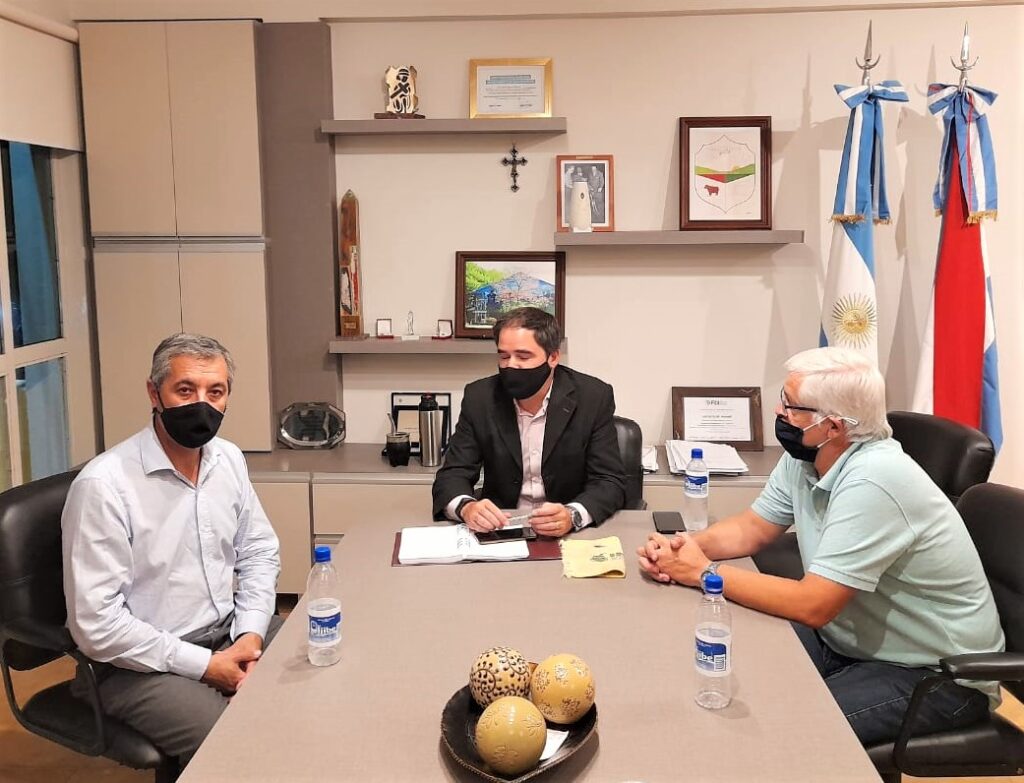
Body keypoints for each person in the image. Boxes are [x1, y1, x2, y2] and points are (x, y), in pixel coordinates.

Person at [637, 346, 1004, 745]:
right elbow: (753, 528)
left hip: (936, 675)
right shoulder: (809, 455)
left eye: (791, 407)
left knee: (781, 733)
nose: (778, 413)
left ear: (833, 426)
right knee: (725, 678)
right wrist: (682, 547)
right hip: (847, 640)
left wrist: (703, 573)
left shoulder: (875, 480)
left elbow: (813, 604)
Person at [62, 333, 282, 773]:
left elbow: (259, 550)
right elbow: (96, 625)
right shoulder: (104, 486)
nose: (202, 404)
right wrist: (206, 665)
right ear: (154, 393)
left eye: (215, 392)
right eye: (185, 389)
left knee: (320, 672)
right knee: (240, 743)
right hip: (133, 666)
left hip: (226, 632)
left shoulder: (227, 459)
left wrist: (250, 636)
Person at [432, 307, 626, 537]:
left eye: (523, 357)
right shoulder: (480, 398)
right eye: (504, 356)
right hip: (501, 527)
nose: (511, 365)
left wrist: (573, 514)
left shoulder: (593, 397)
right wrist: (467, 507)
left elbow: (609, 481)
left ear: (553, 357)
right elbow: (452, 475)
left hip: (570, 533)